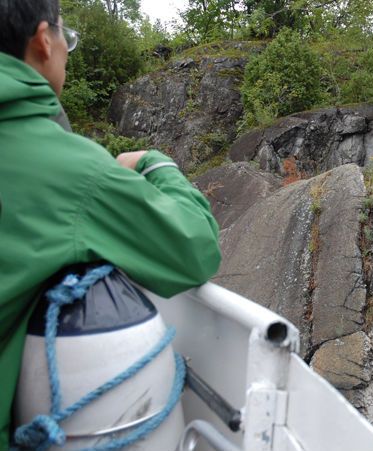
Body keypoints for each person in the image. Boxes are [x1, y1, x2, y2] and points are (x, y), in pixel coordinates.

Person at [0, 0, 222, 448]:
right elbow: (196, 248)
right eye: (67, 37)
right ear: (44, 40)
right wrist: (155, 164)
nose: (66, 48)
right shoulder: (69, 170)